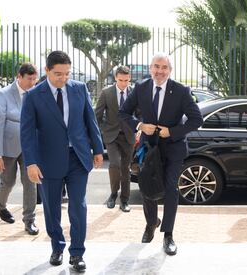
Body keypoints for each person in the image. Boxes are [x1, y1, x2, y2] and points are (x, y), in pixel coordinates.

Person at [20, 51, 104, 272]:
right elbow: (26, 133)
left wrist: (98, 149)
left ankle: (77, 254)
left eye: (67, 73)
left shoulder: (79, 88)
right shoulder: (33, 96)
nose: (63, 78)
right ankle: (57, 246)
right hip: (48, 161)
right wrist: (31, 163)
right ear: (47, 70)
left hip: (78, 157)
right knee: (52, 208)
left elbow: (90, 120)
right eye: (58, 73)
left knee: (78, 205)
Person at [119, 52, 203, 256]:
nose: (160, 71)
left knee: (171, 189)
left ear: (170, 70)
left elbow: (196, 119)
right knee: (147, 187)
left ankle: (168, 234)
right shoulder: (141, 88)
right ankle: (151, 224)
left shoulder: (181, 90)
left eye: (164, 67)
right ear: (150, 68)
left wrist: (172, 131)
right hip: (149, 149)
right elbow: (123, 113)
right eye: (156, 66)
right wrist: (139, 125)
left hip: (173, 148)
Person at [0, 63, 39, 235]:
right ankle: (0, 205)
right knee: (8, 182)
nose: (32, 83)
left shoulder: (36, 93)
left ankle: (29, 220)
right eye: (29, 79)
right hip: (8, 147)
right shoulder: (3, 95)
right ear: (19, 76)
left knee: (31, 183)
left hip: (30, 147)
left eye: (35, 79)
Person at [95, 65, 135, 212]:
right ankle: (113, 194)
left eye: (126, 80)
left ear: (129, 78)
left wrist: (139, 128)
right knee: (114, 164)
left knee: (126, 168)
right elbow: (97, 116)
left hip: (129, 136)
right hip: (111, 135)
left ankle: (124, 200)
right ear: (115, 78)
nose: (123, 83)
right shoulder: (106, 93)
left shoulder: (134, 93)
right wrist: (99, 134)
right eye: (120, 80)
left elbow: (140, 113)